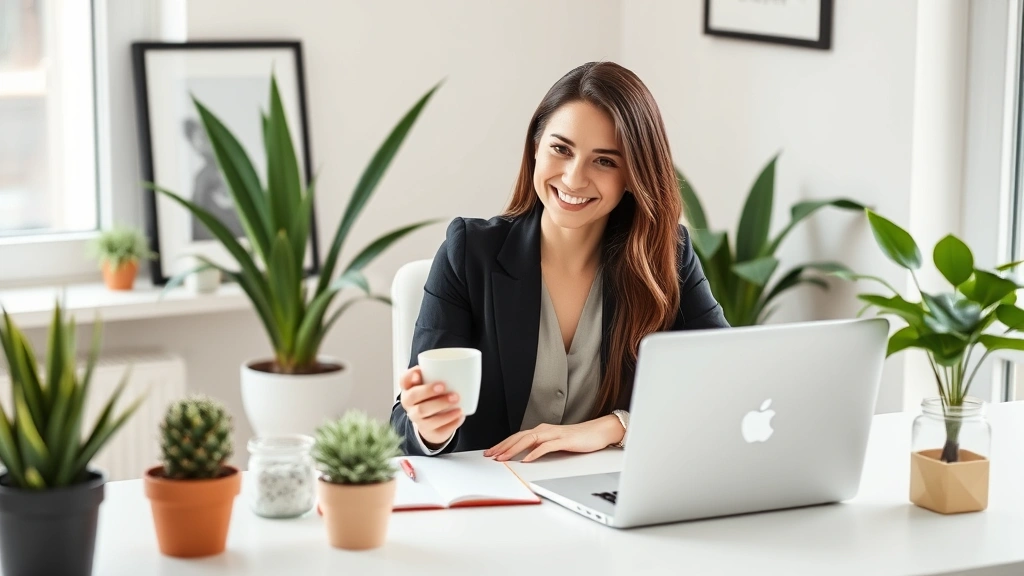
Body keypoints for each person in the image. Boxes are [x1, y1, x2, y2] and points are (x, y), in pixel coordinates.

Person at [391, 61, 729, 463]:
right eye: (560, 149)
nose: (573, 178)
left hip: (606, 498)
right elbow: (401, 428)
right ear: (535, 147)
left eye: (604, 161)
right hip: (492, 502)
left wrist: (615, 426)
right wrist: (429, 428)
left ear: (633, 174)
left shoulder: (666, 256)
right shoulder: (468, 253)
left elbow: (724, 383)